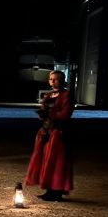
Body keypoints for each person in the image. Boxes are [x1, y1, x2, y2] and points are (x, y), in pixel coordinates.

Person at [25, 70, 74, 201]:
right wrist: (43, 114)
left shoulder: (66, 95)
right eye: (51, 79)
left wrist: (50, 115)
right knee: (45, 160)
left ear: (62, 81)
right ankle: (49, 189)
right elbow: (46, 112)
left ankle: (56, 191)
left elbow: (65, 114)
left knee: (57, 161)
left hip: (59, 132)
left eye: (56, 79)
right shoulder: (49, 95)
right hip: (47, 131)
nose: (53, 81)